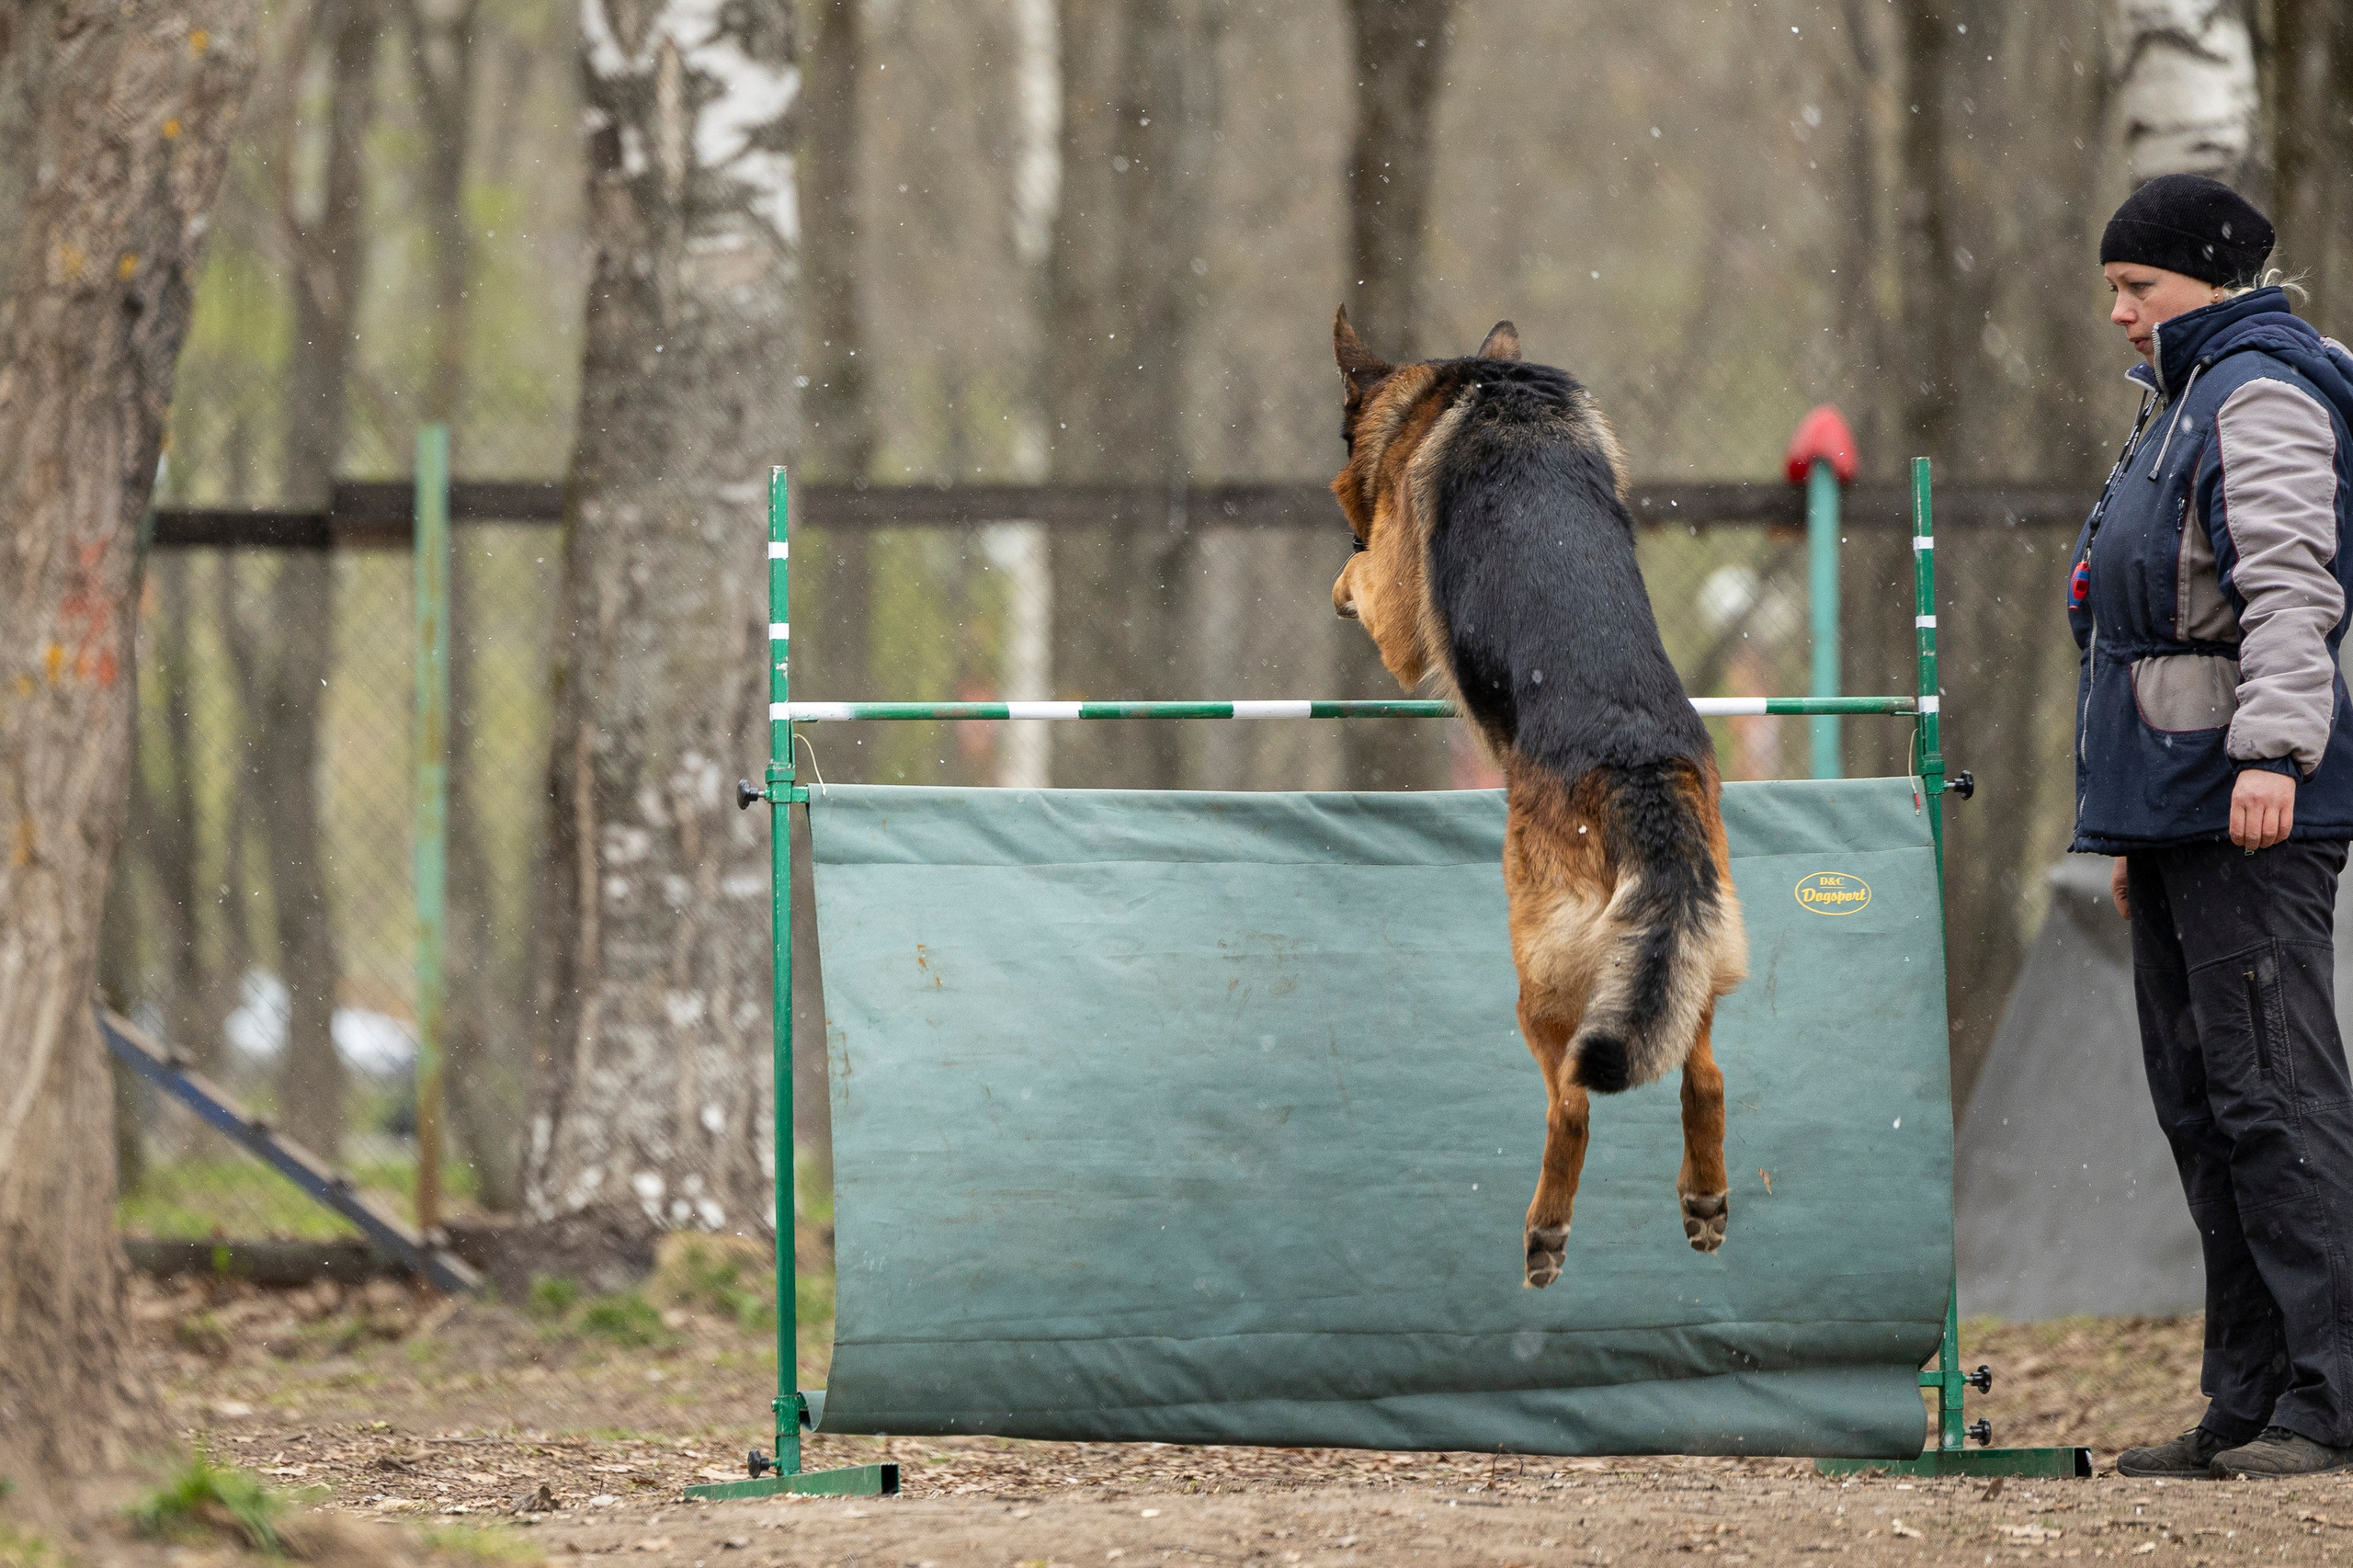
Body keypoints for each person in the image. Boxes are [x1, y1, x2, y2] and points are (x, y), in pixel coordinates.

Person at [2068, 173, 2353, 1480]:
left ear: (2212, 280)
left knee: (2276, 1095)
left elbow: (2297, 588)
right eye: (2116, 287)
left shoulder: (2264, 394)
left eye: (2141, 287)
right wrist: (2129, 832)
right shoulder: (2176, 404)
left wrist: (2277, 756)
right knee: (2202, 1103)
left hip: (2253, 807)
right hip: (2173, 812)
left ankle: (2333, 1392)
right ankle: (2244, 1397)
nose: (2119, 310)